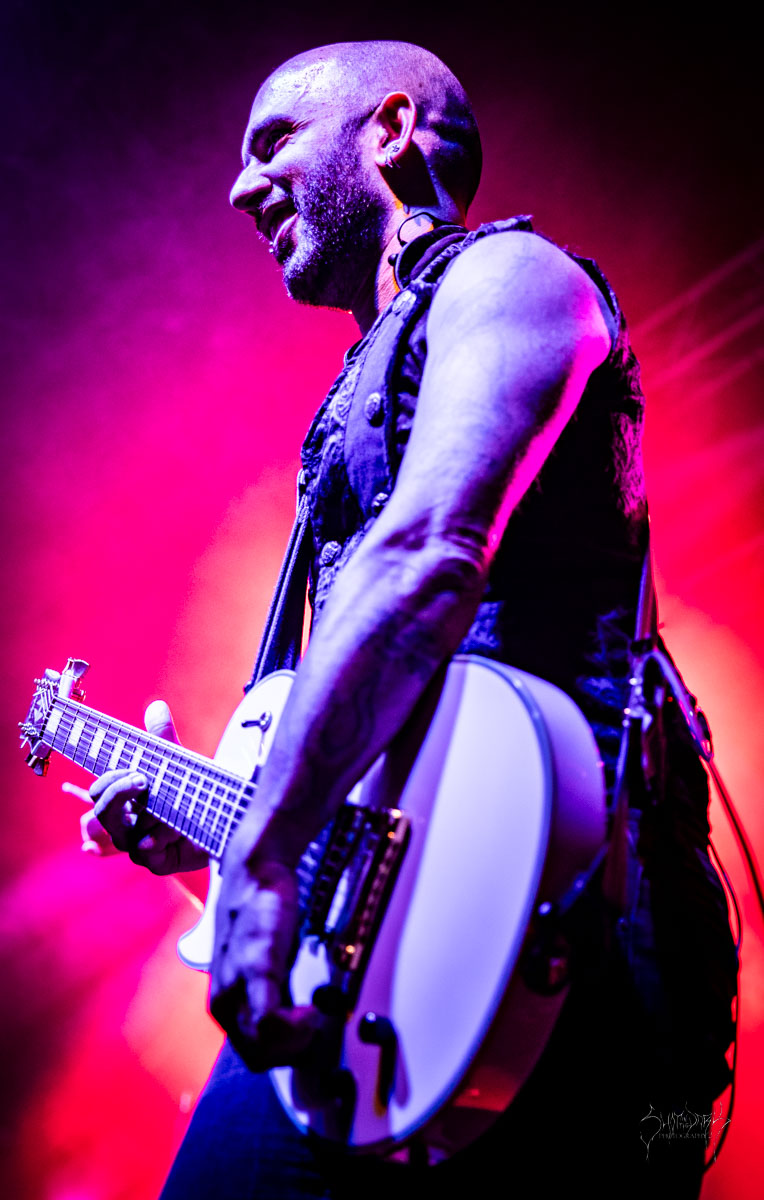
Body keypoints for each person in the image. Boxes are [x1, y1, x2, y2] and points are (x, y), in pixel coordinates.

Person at [82, 40, 737, 1199]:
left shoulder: (513, 277)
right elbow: (388, 757)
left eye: (273, 142)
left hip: (579, 922)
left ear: (388, 131)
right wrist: (225, 829)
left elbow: (431, 550)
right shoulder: (355, 382)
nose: (238, 188)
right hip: (389, 954)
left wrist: (266, 851)